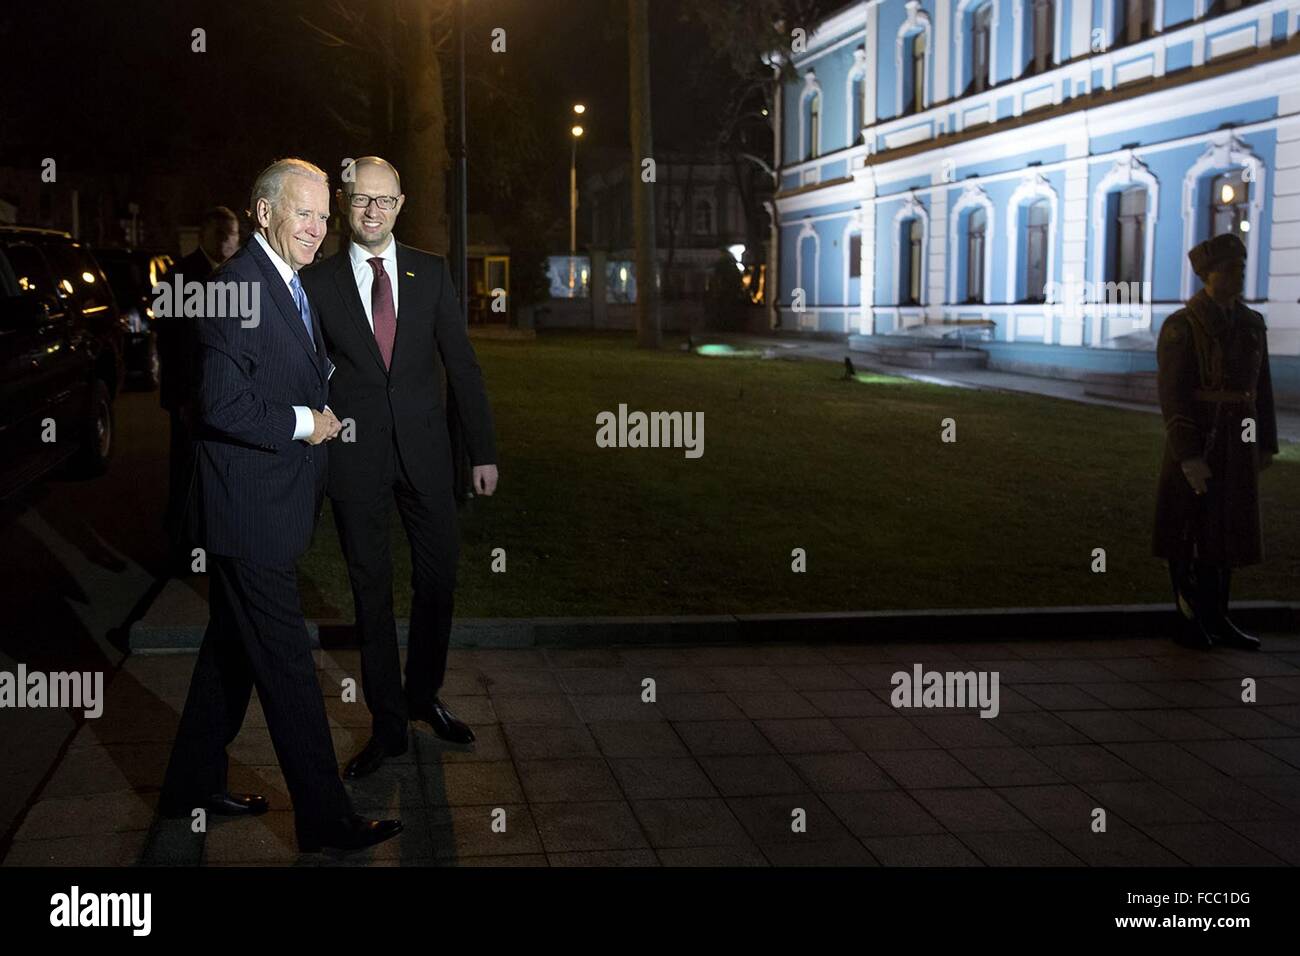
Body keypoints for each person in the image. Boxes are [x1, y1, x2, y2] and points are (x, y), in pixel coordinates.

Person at [159, 158, 402, 853]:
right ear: (264, 213)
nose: (319, 228)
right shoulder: (236, 287)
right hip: (249, 514)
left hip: (269, 504)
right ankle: (325, 820)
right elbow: (220, 401)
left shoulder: (283, 280)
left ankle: (187, 785)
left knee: (230, 655)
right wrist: (305, 421)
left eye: (326, 216)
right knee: (290, 670)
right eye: (304, 213)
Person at [301, 156, 498, 779]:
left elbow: (461, 366)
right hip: (354, 459)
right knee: (371, 593)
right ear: (345, 201)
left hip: (427, 457)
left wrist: (483, 450)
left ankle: (423, 696)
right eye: (362, 200)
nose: (373, 210)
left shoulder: (431, 274)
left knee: (438, 580)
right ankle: (388, 727)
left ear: (401, 204)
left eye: (384, 201)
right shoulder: (318, 282)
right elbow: (304, 369)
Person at [1153, 232, 1277, 651]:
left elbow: (1262, 390)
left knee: (1228, 529)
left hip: (1237, 442)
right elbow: (1173, 394)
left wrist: (1264, 444)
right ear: (1210, 275)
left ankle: (1218, 616)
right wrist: (1187, 453)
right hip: (1200, 440)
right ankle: (1189, 618)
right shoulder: (1183, 327)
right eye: (1231, 269)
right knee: (1188, 527)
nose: (1239, 275)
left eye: (1241, 268)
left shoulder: (1250, 323)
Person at [157, 206, 240, 559]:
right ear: (203, 234)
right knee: (187, 475)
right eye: (218, 232)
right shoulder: (178, 278)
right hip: (192, 396)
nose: (225, 240)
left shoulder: (243, 276)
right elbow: (169, 343)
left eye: (231, 233)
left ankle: (219, 542)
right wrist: (180, 399)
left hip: (234, 398)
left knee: (225, 476)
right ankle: (181, 549)